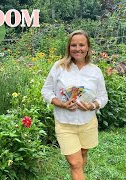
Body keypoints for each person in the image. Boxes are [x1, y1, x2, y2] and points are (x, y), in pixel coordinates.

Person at [41, 30, 108, 180]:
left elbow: (103, 97)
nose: (77, 48)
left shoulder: (95, 71)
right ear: (68, 47)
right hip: (65, 123)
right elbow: (46, 91)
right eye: (73, 45)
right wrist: (62, 104)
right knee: (75, 163)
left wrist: (92, 105)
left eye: (81, 45)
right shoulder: (59, 67)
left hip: (88, 123)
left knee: (83, 154)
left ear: (88, 47)